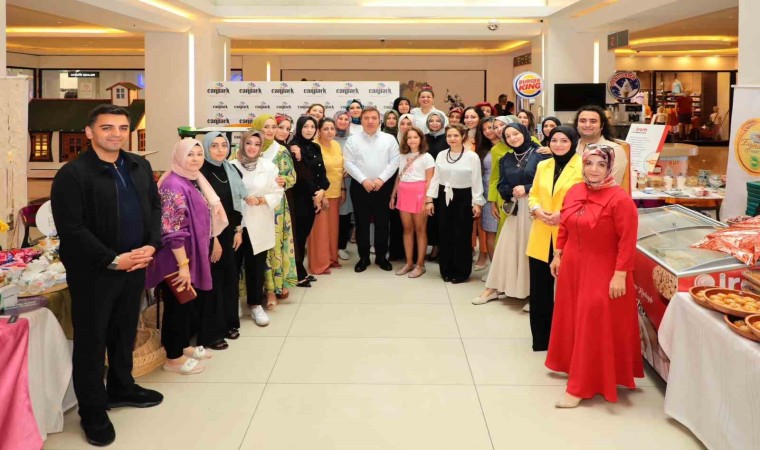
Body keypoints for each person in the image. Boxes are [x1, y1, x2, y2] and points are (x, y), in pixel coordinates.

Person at [51, 104, 163, 446]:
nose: (116, 134)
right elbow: (72, 229)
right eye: (107, 128)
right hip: (95, 273)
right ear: (89, 132)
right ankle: (92, 411)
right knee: (92, 341)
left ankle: (121, 387)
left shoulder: (139, 165)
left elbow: (154, 208)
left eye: (122, 128)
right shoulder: (73, 175)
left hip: (135, 265)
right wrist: (113, 260)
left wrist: (151, 245)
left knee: (124, 331)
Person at [546, 144, 642, 408]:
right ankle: (573, 365)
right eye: (589, 163)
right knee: (573, 316)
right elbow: (565, 225)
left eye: (601, 164)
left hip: (604, 268)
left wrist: (620, 274)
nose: (594, 170)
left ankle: (581, 386)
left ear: (610, 167)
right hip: (573, 265)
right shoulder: (575, 190)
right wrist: (558, 254)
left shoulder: (620, 199)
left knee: (592, 321)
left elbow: (627, 241)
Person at [146, 138, 229, 372]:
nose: (195, 159)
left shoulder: (190, 179)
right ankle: (173, 358)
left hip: (189, 255)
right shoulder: (173, 185)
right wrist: (183, 265)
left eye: (199, 154)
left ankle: (182, 346)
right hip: (175, 258)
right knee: (177, 306)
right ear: (179, 157)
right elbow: (172, 230)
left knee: (186, 304)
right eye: (190, 155)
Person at [473, 123, 547, 304]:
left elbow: (548, 180)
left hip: (535, 208)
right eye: (508, 136)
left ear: (524, 133)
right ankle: (494, 288)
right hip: (515, 208)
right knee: (506, 249)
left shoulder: (540, 154)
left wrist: (527, 188)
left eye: (516, 134)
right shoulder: (506, 158)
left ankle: (532, 294)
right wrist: (509, 191)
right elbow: (501, 183)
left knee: (530, 250)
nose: (512, 138)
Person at [525, 126, 583, 351]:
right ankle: (541, 339)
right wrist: (536, 209)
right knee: (540, 289)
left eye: (564, 140)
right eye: (554, 140)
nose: (558, 145)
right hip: (541, 231)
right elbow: (534, 194)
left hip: (569, 233)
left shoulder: (583, 165)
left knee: (569, 289)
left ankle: (568, 339)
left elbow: (585, 198)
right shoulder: (543, 165)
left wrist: (563, 214)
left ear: (574, 142)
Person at [231, 131, 283, 327]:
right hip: (236, 225)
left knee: (256, 267)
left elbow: (277, 192)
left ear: (261, 147)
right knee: (232, 266)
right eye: (248, 143)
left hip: (259, 223)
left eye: (256, 144)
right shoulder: (231, 166)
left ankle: (255, 304)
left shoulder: (269, 167)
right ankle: (233, 302)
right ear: (242, 144)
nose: (252, 147)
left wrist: (261, 200)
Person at [343, 106, 401, 272]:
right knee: (362, 223)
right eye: (366, 118)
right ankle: (364, 258)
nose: (370, 121)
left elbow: (395, 161)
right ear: (361, 120)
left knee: (383, 223)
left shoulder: (389, 139)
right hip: (360, 186)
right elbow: (348, 163)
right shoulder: (352, 140)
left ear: (379, 120)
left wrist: (381, 179)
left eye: (374, 118)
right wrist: (363, 180)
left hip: (383, 186)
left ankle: (381, 257)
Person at [201, 132, 246, 343]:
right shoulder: (201, 173)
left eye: (223, 145)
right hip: (211, 235)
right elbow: (204, 210)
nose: (220, 150)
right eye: (214, 146)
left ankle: (229, 324)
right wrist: (214, 239)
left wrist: (238, 230)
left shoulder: (231, 169)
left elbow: (236, 203)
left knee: (230, 278)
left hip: (230, 232)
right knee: (214, 281)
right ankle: (213, 332)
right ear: (206, 148)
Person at [425, 123, 485, 283]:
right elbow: (436, 178)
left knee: (462, 235)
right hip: (444, 196)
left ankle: (461, 271)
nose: (452, 138)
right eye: (449, 136)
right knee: (445, 233)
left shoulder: (472, 157)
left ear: (463, 136)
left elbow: (476, 180)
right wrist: (429, 199)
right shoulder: (441, 155)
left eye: (456, 135)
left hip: (464, 198)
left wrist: (477, 202)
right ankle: (446, 269)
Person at [252, 115, 297, 308]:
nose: (270, 130)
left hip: (275, 208)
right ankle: (255, 289)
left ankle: (273, 288)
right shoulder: (246, 148)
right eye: (266, 127)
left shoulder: (281, 151)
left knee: (274, 247)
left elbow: (292, 177)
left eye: (273, 127)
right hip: (251, 207)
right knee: (255, 248)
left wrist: (284, 180)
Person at [390, 126, 435, 278]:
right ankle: (409, 263)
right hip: (404, 194)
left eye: (415, 137)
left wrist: (427, 200)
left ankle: (420, 265)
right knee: (407, 229)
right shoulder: (402, 156)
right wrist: (393, 195)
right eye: (409, 137)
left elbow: (430, 180)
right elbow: (399, 176)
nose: (412, 140)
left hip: (419, 195)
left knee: (420, 230)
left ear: (421, 139)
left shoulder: (427, 157)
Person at [290, 115, 329, 285]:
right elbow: (301, 174)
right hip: (300, 198)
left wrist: (322, 190)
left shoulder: (315, 146)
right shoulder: (293, 147)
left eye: (312, 127)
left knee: (303, 234)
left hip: (314, 196)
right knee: (298, 236)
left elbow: (321, 172)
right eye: (305, 126)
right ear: (299, 128)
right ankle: (298, 274)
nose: (309, 130)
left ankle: (299, 270)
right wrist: (315, 194)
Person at [308, 118, 343, 275]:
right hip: (321, 195)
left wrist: (343, 189)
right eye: (326, 129)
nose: (330, 132)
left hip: (335, 192)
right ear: (319, 131)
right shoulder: (314, 146)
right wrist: (322, 195)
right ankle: (319, 264)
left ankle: (331, 259)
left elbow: (339, 170)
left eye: (332, 128)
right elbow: (313, 173)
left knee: (332, 230)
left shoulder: (336, 145)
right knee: (320, 231)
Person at [573, 105, 628, 185]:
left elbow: (612, 184)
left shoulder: (614, 150)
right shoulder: (569, 147)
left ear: (602, 126)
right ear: (577, 125)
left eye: (593, 121)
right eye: (583, 121)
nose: (587, 125)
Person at [474, 117, 500, 278]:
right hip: (487, 193)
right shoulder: (483, 149)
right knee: (490, 231)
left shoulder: (510, 145)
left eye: (491, 127)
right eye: (484, 129)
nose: (488, 131)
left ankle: (506, 272)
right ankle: (494, 271)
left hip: (505, 194)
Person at [425, 110, 448, 261]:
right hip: (426, 181)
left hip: (443, 182)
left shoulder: (447, 138)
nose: (434, 123)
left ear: (443, 122)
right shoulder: (424, 138)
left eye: (438, 121)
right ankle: (433, 245)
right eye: (431, 121)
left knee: (441, 215)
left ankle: (440, 247)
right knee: (431, 217)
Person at [333, 110, 354, 261]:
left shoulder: (353, 139)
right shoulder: (327, 137)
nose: (343, 121)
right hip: (331, 182)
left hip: (348, 181)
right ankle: (329, 246)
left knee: (344, 215)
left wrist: (350, 169)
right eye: (340, 118)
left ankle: (341, 247)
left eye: (346, 119)